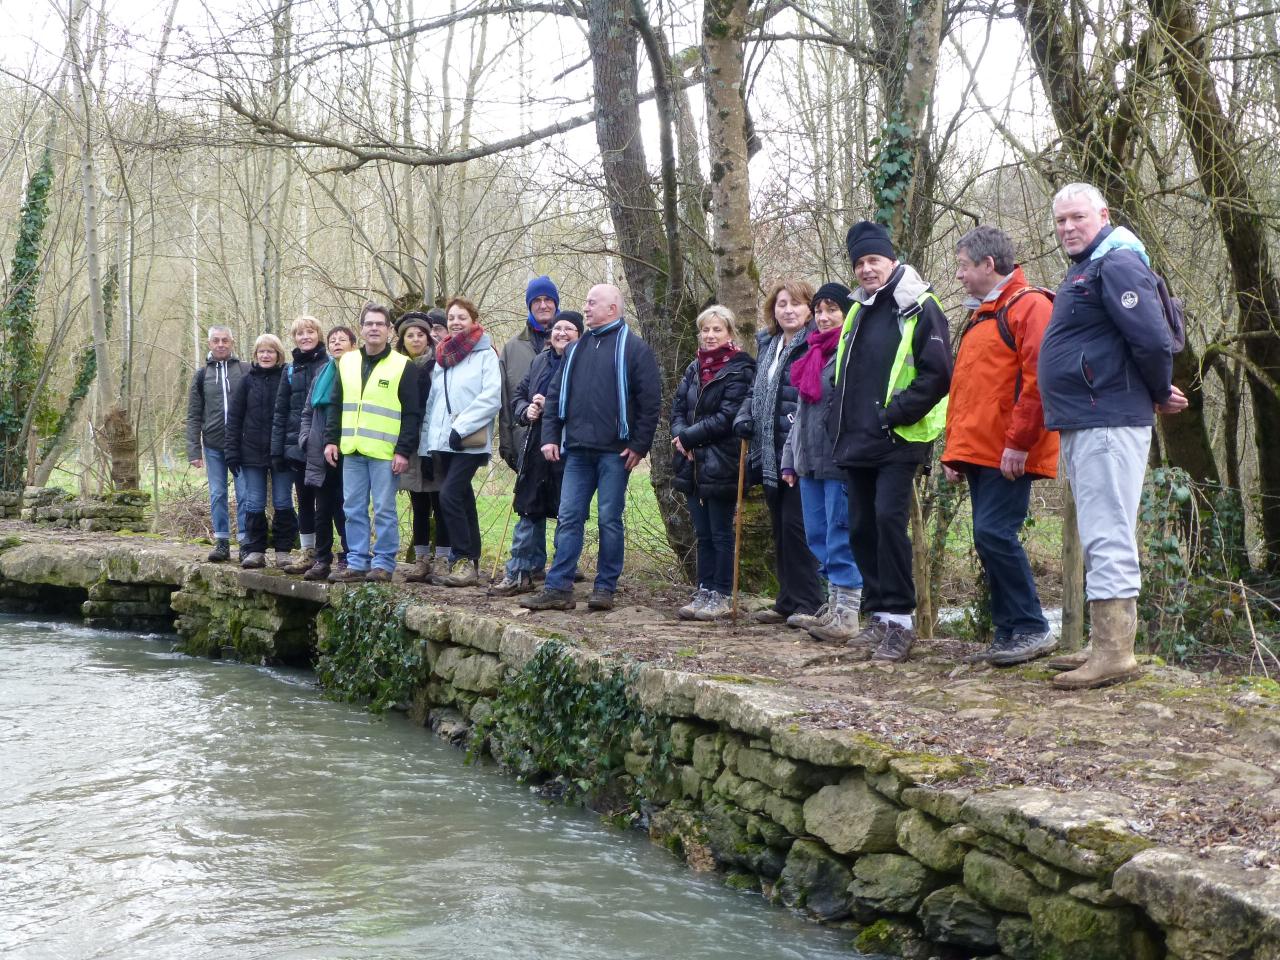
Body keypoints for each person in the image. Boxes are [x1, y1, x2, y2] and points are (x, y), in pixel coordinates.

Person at [1037, 183, 1188, 689]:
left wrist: (1159, 389)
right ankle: (1104, 641)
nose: (1067, 228)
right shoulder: (1089, 265)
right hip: (1088, 416)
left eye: (1076, 217)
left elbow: (1149, 337)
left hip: (1108, 416)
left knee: (1108, 530)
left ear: (1103, 214)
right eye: (1060, 221)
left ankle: (1115, 651)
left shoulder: (1117, 262)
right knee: (1099, 530)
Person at [831, 221, 952, 663]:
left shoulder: (919, 306)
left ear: (892, 260)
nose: (866, 269)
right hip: (856, 440)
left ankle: (901, 620)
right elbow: (844, 375)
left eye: (873, 261)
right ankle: (878, 614)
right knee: (861, 527)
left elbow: (938, 373)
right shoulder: (858, 310)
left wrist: (893, 414)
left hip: (899, 439)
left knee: (887, 520)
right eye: (860, 263)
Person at [942, 226, 1060, 666]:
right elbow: (969, 393)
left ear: (988, 265)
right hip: (982, 451)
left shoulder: (1028, 306)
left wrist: (1019, 443)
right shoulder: (983, 314)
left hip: (1010, 452)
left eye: (963, 266)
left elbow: (1039, 382)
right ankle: (1010, 631)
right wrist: (954, 453)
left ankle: (1031, 627)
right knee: (986, 538)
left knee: (994, 533)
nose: (958, 275)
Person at [521, 283, 661, 612]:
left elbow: (650, 402)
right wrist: (550, 436)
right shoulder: (575, 349)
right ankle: (558, 588)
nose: (585, 308)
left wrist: (640, 444)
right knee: (569, 517)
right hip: (578, 452)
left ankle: (605, 588)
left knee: (610, 520)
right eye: (585, 302)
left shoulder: (634, 349)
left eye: (592, 302)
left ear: (612, 308)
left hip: (616, 452)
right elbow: (554, 397)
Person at [731, 280, 824, 626]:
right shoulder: (769, 345)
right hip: (768, 452)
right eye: (782, 304)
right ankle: (787, 600)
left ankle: (809, 602)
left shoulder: (812, 345)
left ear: (809, 309)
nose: (788, 310)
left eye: (796, 304)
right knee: (780, 528)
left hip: (797, 450)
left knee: (799, 528)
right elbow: (756, 391)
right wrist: (744, 417)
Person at [780, 283, 864, 642]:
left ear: (846, 314)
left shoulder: (852, 353)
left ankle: (848, 613)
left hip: (838, 461)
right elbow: (800, 415)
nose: (824, 317)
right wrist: (789, 459)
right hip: (808, 462)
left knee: (840, 534)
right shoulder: (812, 354)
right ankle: (833, 604)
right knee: (817, 536)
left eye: (832, 309)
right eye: (819, 310)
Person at [323, 303, 422, 583]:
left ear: (389, 330)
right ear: (362, 329)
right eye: (369, 324)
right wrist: (331, 440)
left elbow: (412, 414)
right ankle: (356, 562)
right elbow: (336, 404)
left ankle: (384, 564)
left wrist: (404, 451)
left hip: (385, 452)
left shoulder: (403, 366)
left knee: (384, 509)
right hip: (352, 450)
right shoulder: (348, 361)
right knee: (352, 508)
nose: (374, 328)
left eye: (380, 324)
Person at [670, 305, 756, 620]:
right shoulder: (694, 368)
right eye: (705, 330)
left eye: (717, 329)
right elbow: (678, 407)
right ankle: (704, 589)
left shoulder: (740, 369)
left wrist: (690, 438)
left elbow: (727, 417)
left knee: (721, 531)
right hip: (691, 462)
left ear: (730, 333)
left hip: (722, 461)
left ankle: (721, 593)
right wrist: (681, 438)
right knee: (702, 532)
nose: (710, 335)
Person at [490, 310, 584, 596]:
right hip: (534, 446)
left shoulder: (584, 364)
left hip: (570, 448)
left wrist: (554, 405)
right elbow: (518, 396)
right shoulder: (540, 361)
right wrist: (526, 410)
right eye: (557, 328)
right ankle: (519, 571)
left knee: (567, 514)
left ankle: (560, 575)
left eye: (569, 329)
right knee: (528, 509)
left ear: (580, 335)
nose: (561, 333)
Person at [420, 297, 502, 587]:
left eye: (462, 317)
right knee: (463, 498)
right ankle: (472, 563)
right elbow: (435, 402)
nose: (455, 322)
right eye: (452, 317)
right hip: (443, 442)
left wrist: (461, 427)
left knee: (450, 496)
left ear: (473, 320)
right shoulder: (443, 355)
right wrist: (427, 446)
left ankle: (462, 558)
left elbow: (491, 397)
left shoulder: (485, 354)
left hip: (470, 440)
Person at [225, 333, 297, 569]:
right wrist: (232, 452)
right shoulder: (247, 381)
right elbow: (234, 419)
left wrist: (290, 447)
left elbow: (293, 416)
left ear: (278, 355)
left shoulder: (287, 378)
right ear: (255, 356)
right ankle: (255, 550)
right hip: (251, 453)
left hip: (281, 453)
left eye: (270, 351)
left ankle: (283, 550)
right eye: (261, 352)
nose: (266, 355)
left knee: (283, 500)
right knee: (253, 502)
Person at [270, 315, 330, 574]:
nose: (305, 337)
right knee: (304, 501)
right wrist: (278, 450)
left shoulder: (329, 365)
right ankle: (308, 551)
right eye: (300, 333)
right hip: (296, 448)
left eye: (310, 332)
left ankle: (328, 555)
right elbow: (280, 412)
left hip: (323, 446)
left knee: (327, 503)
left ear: (319, 335)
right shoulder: (290, 370)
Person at [295, 325, 355, 580]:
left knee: (347, 507)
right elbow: (308, 411)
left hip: (351, 449)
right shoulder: (322, 373)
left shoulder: (358, 371)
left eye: (343, 339)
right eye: (333, 340)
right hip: (319, 450)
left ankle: (350, 556)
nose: (337, 343)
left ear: (353, 344)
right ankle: (322, 559)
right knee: (323, 507)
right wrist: (305, 438)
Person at [186, 326, 249, 561]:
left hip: (241, 445)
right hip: (212, 445)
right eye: (216, 340)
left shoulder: (244, 370)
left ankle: (245, 542)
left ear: (232, 342)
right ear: (209, 343)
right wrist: (194, 450)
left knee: (245, 495)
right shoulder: (202, 375)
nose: (221, 344)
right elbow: (193, 414)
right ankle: (222, 542)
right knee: (218, 494)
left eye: (225, 340)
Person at [394, 312, 442, 583]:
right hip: (408, 441)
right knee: (419, 502)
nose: (415, 339)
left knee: (441, 501)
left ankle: (444, 558)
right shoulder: (396, 366)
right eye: (409, 335)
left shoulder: (440, 364)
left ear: (428, 337)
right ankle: (422, 558)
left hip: (434, 441)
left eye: (420, 335)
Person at [499, 276, 559, 477]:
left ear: (555, 303)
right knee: (532, 508)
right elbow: (507, 402)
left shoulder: (574, 343)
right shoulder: (511, 349)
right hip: (525, 444)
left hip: (565, 446)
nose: (543, 305)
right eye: (536, 300)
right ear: (529, 305)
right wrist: (507, 446)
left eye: (548, 299)